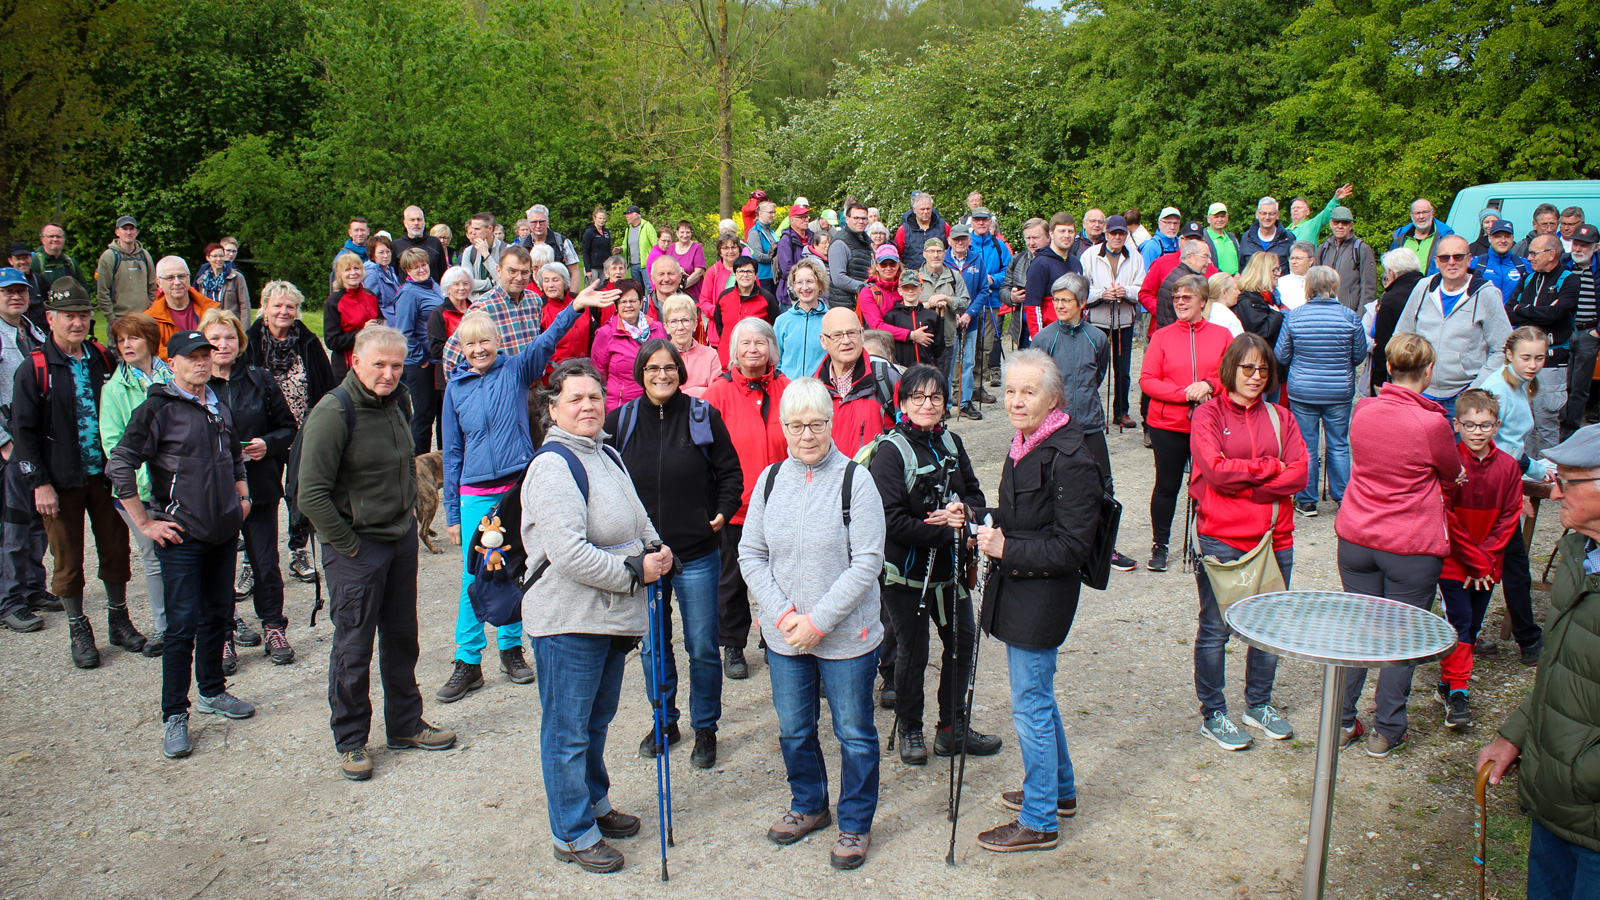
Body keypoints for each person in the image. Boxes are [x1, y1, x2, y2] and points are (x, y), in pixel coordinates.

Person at [437, 286, 616, 703]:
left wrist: (576, 307)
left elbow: (547, 340)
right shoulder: (455, 390)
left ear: (497, 343)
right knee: (475, 575)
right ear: (460, 349)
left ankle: (511, 650)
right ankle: (468, 660)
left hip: (518, 487)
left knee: (518, 566)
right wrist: (450, 512)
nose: (478, 349)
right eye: (470, 343)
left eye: (485, 341)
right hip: (474, 493)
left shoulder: (516, 370)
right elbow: (452, 451)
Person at [522, 359, 667, 873]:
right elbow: (568, 553)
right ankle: (572, 832)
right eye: (575, 399)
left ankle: (595, 803)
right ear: (553, 410)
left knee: (596, 721)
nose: (588, 406)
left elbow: (637, 512)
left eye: (594, 397)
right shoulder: (553, 465)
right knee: (567, 730)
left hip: (606, 617)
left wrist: (655, 545)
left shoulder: (606, 452)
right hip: (568, 620)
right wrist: (635, 571)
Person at [738, 376, 885, 870]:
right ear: (783, 427)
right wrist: (783, 617)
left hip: (846, 636)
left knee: (854, 732)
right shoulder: (770, 480)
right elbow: (751, 554)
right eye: (796, 426)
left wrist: (817, 621)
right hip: (785, 637)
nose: (806, 435)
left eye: (816, 424)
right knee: (795, 728)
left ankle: (855, 822)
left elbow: (866, 562)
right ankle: (808, 805)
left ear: (831, 423)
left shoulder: (855, 480)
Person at [297, 325, 455, 781]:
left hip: (398, 538)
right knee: (354, 644)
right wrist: (347, 545)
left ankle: (405, 725)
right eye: (379, 364)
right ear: (355, 362)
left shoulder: (399, 400)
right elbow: (312, 493)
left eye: (396, 365)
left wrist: (406, 512)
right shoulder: (333, 412)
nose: (388, 373)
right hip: (357, 548)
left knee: (402, 636)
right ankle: (350, 740)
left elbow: (408, 458)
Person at [973, 349, 1101, 853]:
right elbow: (1017, 513)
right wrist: (977, 516)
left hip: (1044, 594)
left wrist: (1005, 547)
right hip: (1022, 586)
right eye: (1010, 391)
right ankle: (1060, 792)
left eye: (1028, 392)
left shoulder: (1072, 457)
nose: (1016, 401)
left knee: (1029, 703)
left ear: (1053, 398)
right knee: (1038, 699)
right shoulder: (1025, 442)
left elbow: (1073, 546)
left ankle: (1040, 817)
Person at [109, 329, 256, 758]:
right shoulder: (158, 408)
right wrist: (144, 522)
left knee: (218, 615)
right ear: (171, 362)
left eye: (205, 355)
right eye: (191, 356)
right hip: (181, 535)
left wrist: (242, 496)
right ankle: (175, 713)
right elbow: (120, 463)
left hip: (222, 531)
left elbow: (233, 456)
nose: (201, 362)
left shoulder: (217, 404)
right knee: (180, 627)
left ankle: (212, 690)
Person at [603, 339, 742, 766]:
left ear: (680, 372)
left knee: (701, 644)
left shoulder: (703, 416)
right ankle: (664, 719)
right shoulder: (620, 422)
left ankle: (705, 727)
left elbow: (730, 472)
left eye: (668, 368)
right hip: (644, 560)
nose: (661, 376)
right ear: (640, 373)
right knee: (652, 647)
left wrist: (720, 513)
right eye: (652, 369)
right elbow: (604, 480)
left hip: (696, 553)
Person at [1477, 424, 1600, 898]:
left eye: (1567, 483)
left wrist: (1579, 772)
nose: (1552, 493)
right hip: (1556, 802)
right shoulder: (1579, 550)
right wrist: (1517, 733)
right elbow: (1563, 670)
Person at [1336, 333, 1461, 757]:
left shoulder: (1363, 410)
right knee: (1400, 638)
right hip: (1409, 544)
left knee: (1358, 632)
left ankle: (1341, 720)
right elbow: (1452, 471)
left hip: (1357, 536)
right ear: (1429, 371)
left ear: (1389, 367)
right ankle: (1387, 728)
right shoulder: (1431, 424)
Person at [867, 364, 996, 765]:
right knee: (914, 652)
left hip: (951, 572)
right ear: (902, 402)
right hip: (904, 575)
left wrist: (965, 513)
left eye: (936, 397)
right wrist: (945, 530)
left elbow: (975, 495)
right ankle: (910, 728)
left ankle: (951, 728)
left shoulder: (952, 443)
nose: (927, 404)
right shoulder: (890, 452)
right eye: (918, 397)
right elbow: (888, 520)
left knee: (960, 645)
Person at [1188, 333, 1308, 750]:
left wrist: (1249, 485)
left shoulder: (1281, 417)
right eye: (1248, 368)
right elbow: (1216, 472)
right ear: (1231, 369)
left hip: (1277, 537)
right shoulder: (1205, 417)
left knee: (1270, 627)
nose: (1257, 377)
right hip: (1222, 539)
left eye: (1263, 369)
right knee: (1215, 630)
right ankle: (1214, 713)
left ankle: (1258, 703)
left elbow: (1300, 472)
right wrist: (1268, 472)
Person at [11, 277, 134, 668]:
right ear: (50, 318)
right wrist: (39, 483)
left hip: (104, 476)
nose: (77, 323)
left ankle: (119, 620)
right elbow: (23, 432)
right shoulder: (34, 368)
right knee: (67, 558)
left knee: (115, 548)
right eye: (68, 316)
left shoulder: (102, 357)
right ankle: (78, 628)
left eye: (82, 315)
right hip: (59, 482)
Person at [201, 308, 298, 668]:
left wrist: (267, 444)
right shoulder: (195, 386)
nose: (222, 345)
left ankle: (273, 625)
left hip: (257, 485)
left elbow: (288, 426)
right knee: (219, 565)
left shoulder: (259, 379)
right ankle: (223, 633)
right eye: (214, 339)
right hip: (212, 493)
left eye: (229, 338)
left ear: (240, 343)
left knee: (265, 561)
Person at [1431, 388, 1523, 731]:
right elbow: (1446, 516)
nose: (1477, 432)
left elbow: (1510, 515)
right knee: (1461, 621)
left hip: (1487, 565)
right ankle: (1458, 692)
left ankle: (1448, 681)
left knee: (1473, 622)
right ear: (1456, 425)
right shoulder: (1449, 465)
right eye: (1469, 425)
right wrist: (1473, 560)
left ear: (1496, 426)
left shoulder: (1509, 467)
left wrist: (1486, 560)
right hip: (1456, 562)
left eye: (1485, 425)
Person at [244, 281, 335, 584]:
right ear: (265, 308)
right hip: (264, 435)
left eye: (290, 306)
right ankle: (250, 561)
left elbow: (326, 386)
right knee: (258, 496)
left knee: (300, 494)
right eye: (277, 305)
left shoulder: (307, 341)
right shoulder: (249, 343)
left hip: (303, 430)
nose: (284, 311)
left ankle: (299, 550)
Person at [1469, 327, 1550, 663]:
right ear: (1509, 355)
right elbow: (1489, 447)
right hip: (1489, 491)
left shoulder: (1519, 384)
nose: (1533, 364)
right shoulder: (1496, 390)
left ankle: (1469, 635)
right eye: (1526, 357)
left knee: (1501, 565)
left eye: (1539, 357)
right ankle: (1527, 642)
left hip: (1500, 484)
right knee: (1507, 566)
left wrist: (1534, 470)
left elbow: (1512, 447)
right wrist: (1522, 483)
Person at [1140, 275, 1230, 573]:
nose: (1180, 302)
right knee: (1167, 484)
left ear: (1203, 301)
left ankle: (1204, 542)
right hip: (1167, 423)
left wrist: (1207, 385)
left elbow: (1229, 376)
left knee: (1207, 485)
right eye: (1176, 297)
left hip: (1208, 422)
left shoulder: (1221, 335)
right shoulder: (1162, 336)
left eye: (1187, 297)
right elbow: (1148, 380)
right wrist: (1183, 393)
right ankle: (1160, 544)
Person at [97, 312, 171, 653]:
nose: (126, 344)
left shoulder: (174, 375)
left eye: (134, 338)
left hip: (179, 485)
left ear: (150, 341)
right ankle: (165, 626)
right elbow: (115, 447)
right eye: (121, 339)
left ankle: (214, 619)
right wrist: (149, 480)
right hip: (140, 492)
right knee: (154, 557)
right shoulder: (113, 389)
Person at [1275, 265, 1368, 515]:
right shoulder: (1349, 316)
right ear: (1334, 287)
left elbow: (1281, 355)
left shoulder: (1294, 316)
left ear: (1308, 287)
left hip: (1303, 389)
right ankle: (1343, 497)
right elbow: (1358, 355)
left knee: (1306, 443)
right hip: (1338, 389)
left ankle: (1307, 500)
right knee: (1338, 444)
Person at [1394, 234, 1513, 419]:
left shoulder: (1486, 294)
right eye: (1445, 257)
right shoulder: (1423, 288)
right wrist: (1406, 380)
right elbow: (1401, 336)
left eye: (1458, 256)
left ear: (1469, 259)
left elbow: (1503, 348)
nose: (1451, 262)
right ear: (1437, 261)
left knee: (1458, 448)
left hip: (1463, 394)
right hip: (1421, 392)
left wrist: (1477, 388)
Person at [0, 269, 53, 633]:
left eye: (21, 291)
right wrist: (2, 441)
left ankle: (34, 588)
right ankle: (10, 600)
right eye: (8, 292)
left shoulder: (32, 331)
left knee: (38, 519)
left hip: (33, 438)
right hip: (9, 440)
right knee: (14, 523)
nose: (16, 297)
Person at [1506, 234, 1580, 453]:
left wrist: (1524, 310)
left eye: (1534, 253)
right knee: (1521, 420)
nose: (1529, 257)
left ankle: (1548, 474)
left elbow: (1555, 314)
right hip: (1522, 361)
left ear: (1551, 254)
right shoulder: (1527, 278)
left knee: (1547, 421)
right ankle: (1524, 471)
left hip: (1552, 360)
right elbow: (1509, 311)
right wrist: (1533, 312)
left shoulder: (1570, 280)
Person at [1081, 214, 1144, 429]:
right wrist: (1101, 294)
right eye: (1113, 233)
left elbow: (1141, 289)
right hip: (1097, 319)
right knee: (1095, 367)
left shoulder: (1135, 256)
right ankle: (1091, 410)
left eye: (1121, 233)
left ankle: (1121, 412)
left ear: (1126, 235)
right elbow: (1082, 290)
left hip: (1124, 320)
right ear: (1106, 234)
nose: (1117, 237)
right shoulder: (1089, 255)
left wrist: (1125, 291)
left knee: (1123, 369)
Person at [441, 246, 544, 373]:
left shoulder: (534, 301)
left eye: (524, 272)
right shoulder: (483, 307)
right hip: (501, 386)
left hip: (534, 384)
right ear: (499, 271)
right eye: (512, 271)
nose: (518, 278)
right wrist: (463, 389)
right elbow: (451, 354)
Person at [816, 307, 894, 455]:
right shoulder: (813, 389)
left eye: (852, 333)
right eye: (837, 335)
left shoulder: (886, 379)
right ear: (823, 341)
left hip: (875, 476)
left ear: (862, 335)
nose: (846, 341)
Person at [589, 280, 666, 412]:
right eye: (623, 302)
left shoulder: (657, 328)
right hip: (620, 407)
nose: (628, 305)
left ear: (641, 302)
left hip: (655, 402)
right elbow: (598, 374)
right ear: (616, 305)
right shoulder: (606, 333)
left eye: (633, 301)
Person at [393, 248, 443, 452]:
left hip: (438, 361)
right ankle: (419, 462)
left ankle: (441, 462)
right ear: (407, 271)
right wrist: (420, 358)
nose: (422, 269)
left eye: (424, 265)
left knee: (443, 414)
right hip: (421, 364)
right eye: (416, 267)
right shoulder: (408, 294)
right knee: (423, 416)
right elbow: (404, 331)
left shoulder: (434, 286)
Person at [1369, 248, 1425, 393]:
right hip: (1427, 366)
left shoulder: (1391, 299)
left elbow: (1383, 343)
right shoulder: (1431, 289)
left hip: (1400, 370)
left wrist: (1379, 379)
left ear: (1392, 273)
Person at [145, 256, 220, 362]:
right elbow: (157, 354)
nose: (177, 282)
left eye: (181, 276)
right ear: (159, 282)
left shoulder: (211, 310)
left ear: (189, 278)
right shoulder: (150, 320)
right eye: (170, 278)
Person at [324, 252, 381, 379]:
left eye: (356, 268)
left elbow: (381, 321)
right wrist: (363, 333)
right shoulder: (334, 301)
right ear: (339, 275)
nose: (353, 273)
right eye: (347, 269)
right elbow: (332, 342)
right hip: (347, 367)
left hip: (374, 361)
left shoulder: (370, 295)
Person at [1566, 225, 1600, 438]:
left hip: (1589, 335)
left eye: (1584, 245)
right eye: (1576, 243)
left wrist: (1598, 331)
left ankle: (1570, 434)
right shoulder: (1564, 265)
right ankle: (1555, 430)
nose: (1578, 249)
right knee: (1560, 385)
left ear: (1595, 247)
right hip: (1564, 333)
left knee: (1580, 388)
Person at [714, 256, 778, 368]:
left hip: (754, 360)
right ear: (735, 274)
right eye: (741, 271)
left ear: (755, 275)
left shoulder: (767, 298)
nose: (745, 275)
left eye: (749, 271)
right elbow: (719, 325)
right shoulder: (724, 297)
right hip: (726, 359)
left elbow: (775, 328)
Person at [95, 216, 157, 327]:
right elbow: (103, 291)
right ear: (117, 232)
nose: (128, 232)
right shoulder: (109, 257)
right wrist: (111, 318)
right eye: (124, 229)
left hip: (144, 318)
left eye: (131, 229)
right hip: (120, 320)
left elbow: (152, 286)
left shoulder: (144, 255)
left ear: (136, 232)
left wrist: (151, 311)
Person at [774, 257, 830, 381]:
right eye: (799, 282)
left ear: (820, 285)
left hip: (821, 390)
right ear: (793, 287)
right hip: (789, 389)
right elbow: (775, 360)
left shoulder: (831, 320)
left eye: (810, 281)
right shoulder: (782, 321)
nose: (804, 287)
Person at [658, 293, 719, 396]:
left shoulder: (710, 355)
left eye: (685, 320)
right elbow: (661, 394)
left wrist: (680, 395)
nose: (680, 327)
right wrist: (699, 391)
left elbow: (717, 393)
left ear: (694, 324)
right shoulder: (660, 357)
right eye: (673, 322)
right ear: (666, 327)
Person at [1389, 198, 1455, 275]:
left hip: (1432, 285)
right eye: (1417, 213)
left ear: (1432, 213)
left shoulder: (1445, 236)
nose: (1421, 216)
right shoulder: (1400, 236)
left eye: (1425, 212)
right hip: (1404, 286)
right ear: (1411, 215)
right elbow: (1390, 266)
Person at [828, 202, 874, 310]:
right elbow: (838, 278)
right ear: (847, 219)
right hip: (844, 306)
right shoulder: (840, 243)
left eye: (863, 218)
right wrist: (865, 287)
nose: (860, 221)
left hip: (859, 302)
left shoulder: (864, 241)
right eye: (856, 218)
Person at [393, 206, 449, 285]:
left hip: (432, 293)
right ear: (405, 223)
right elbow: (394, 276)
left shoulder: (435, 243)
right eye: (412, 220)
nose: (416, 223)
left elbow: (443, 273)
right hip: (409, 294)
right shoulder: (396, 246)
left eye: (419, 219)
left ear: (424, 221)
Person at [195, 242, 250, 322]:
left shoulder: (236, 277)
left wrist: (244, 331)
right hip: (209, 325)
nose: (219, 259)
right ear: (208, 258)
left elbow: (245, 306)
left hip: (230, 324)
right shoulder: (202, 281)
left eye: (221, 256)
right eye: (215, 256)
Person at [460, 212, 506, 302]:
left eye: (477, 229)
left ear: (489, 229)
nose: (473, 233)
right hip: (476, 303)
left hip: (500, 303)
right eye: (472, 229)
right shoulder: (469, 251)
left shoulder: (506, 250)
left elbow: (503, 281)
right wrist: (491, 283)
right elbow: (467, 282)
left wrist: (486, 254)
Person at [1286, 184, 1355, 244]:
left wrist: (1336, 199)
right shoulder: (1284, 231)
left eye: (1299, 208)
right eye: (1293, 208)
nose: (1295, 210)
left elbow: (1326, 213)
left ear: (1308, 212)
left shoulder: (1311, 225)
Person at [894, 191, 950, 263]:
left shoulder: (944, 226)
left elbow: (951, 249)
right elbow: (897, 254)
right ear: (914, 210)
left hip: (938, 271)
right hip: (913, 272)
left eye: (928, 209)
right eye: (922, 209)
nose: (926, 212)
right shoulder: (903, 230)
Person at [774, 202, 812, 307]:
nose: (806, 219)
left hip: (810, 292)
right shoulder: (786, 240)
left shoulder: (812, 236)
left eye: (806, 216)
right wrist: (808, 274)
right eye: (801, 217)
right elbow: (787, 269)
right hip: (790, 295)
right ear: (792, 220)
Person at [1239, 198, 1293, 270]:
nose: (1267, 217)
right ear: (1257, 214)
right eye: (1263, 213)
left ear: (1277, 215)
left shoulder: (1287, 238)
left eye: (1271, 213)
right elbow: (1242, 267)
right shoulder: (1247, 238)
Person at [362, 235, 400, 326]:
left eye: (388, 251)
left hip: (394, 319)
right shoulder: (371, 273)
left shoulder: (390, 270)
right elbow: (369, 302)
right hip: (383, 322)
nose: (385, 256)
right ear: (372, 254)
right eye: (381, 253)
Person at [746, 201, 779, 296]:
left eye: (774, 212)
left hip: (774, 276)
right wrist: (778, 258)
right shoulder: (754, 232)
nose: (773, 215)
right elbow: (758, 256)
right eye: (770, 212)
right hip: (763, 277)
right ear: (760, 213)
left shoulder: (771, 231)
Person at [621, 205, 656, 285]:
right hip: (634, 265)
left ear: (636, 215)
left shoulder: (647, 226)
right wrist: (620, 249)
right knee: (637, 288)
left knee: (649, 286)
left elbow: (655, 245)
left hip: (646, 265)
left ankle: (650, 298)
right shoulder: (628, 229)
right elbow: (625, 246)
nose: (626, 216)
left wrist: (652, 260)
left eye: (629, 214)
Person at [1203, 203, 1241, 275]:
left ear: (1227, 218)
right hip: (1215, 282)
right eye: (1216, 217)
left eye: (1222, 216)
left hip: (1235, 282)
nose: (1220, 219)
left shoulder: (1232, 237)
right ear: (1208, 219)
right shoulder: (1203, 238)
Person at [1277, 241, 1316, 310]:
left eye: (1299, 258)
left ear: (1311, 261)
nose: (1294, 262)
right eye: (1292, 258)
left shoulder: (1319, 282)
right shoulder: (1279, 282)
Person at [1204, 272, 1245, 336]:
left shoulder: (1202, 315)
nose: (1239, 292)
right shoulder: (1231, 321)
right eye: (1235, 288)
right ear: (1224, 292)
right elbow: (1239, 345)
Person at [580, 206, 611, 284]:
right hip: (593, 267)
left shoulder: (606, 232)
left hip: (604, 267)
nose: (602, 220)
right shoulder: (589, 232)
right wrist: (588, 270)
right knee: (593, 288)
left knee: (604, 287)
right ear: (594, 218)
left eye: (603, 218)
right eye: (600, 218)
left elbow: (608, 249)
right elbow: (585, 251)